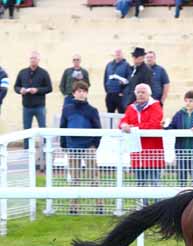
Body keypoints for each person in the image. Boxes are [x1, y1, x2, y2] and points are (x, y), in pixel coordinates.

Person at [59, 81, 102, 214]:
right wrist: (64, 146)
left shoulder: (92, 110)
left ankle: (99, 205)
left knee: (93, 176)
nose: (81, 93)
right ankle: (73, 207)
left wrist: (94, 145)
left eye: (83, 91)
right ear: (74, 93)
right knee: (74, 178)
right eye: (78, 91)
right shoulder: (67, 109)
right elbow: (62, 127)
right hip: (72, 147)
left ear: (87, 93)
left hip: (88, 146)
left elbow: (98, 129)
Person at [119, 83, 164, 192]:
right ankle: (142, 205)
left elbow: (155, 124)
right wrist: (123, 125)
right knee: (140, 183)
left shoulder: (156, 106)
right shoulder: (131, 107)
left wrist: (134, 128)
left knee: (155, 183)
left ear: (149, 94)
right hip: (137, 151)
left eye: (143, 92)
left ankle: (156, 207)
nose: (140, 94)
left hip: (153, 150)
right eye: (138, 92)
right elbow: (123, 120)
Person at [14, 51, 52, 148]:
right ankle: (26, 152)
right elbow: (16, 87)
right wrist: (20, 90)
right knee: (26, 131)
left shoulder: (44, 73)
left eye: (35, 58)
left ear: (39, 60)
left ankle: (44, 152)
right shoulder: (22, 72)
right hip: (26, 107)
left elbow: (49, 88)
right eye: (31, 58)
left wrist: (37, 90)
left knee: (43, 129)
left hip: (40, 107)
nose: (33, 60)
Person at [103, 49, 131, 114]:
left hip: (121, 95)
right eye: (116, 53)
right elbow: (105, 79)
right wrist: (107, 90)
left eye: (119, 53)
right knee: (109, 114)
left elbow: (129, 80)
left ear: (122, 55)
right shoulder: (109, 65)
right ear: (114, 55)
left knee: (122, 114)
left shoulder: (126, 65)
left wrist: (124, 91)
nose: (118, 54)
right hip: (110, 94)